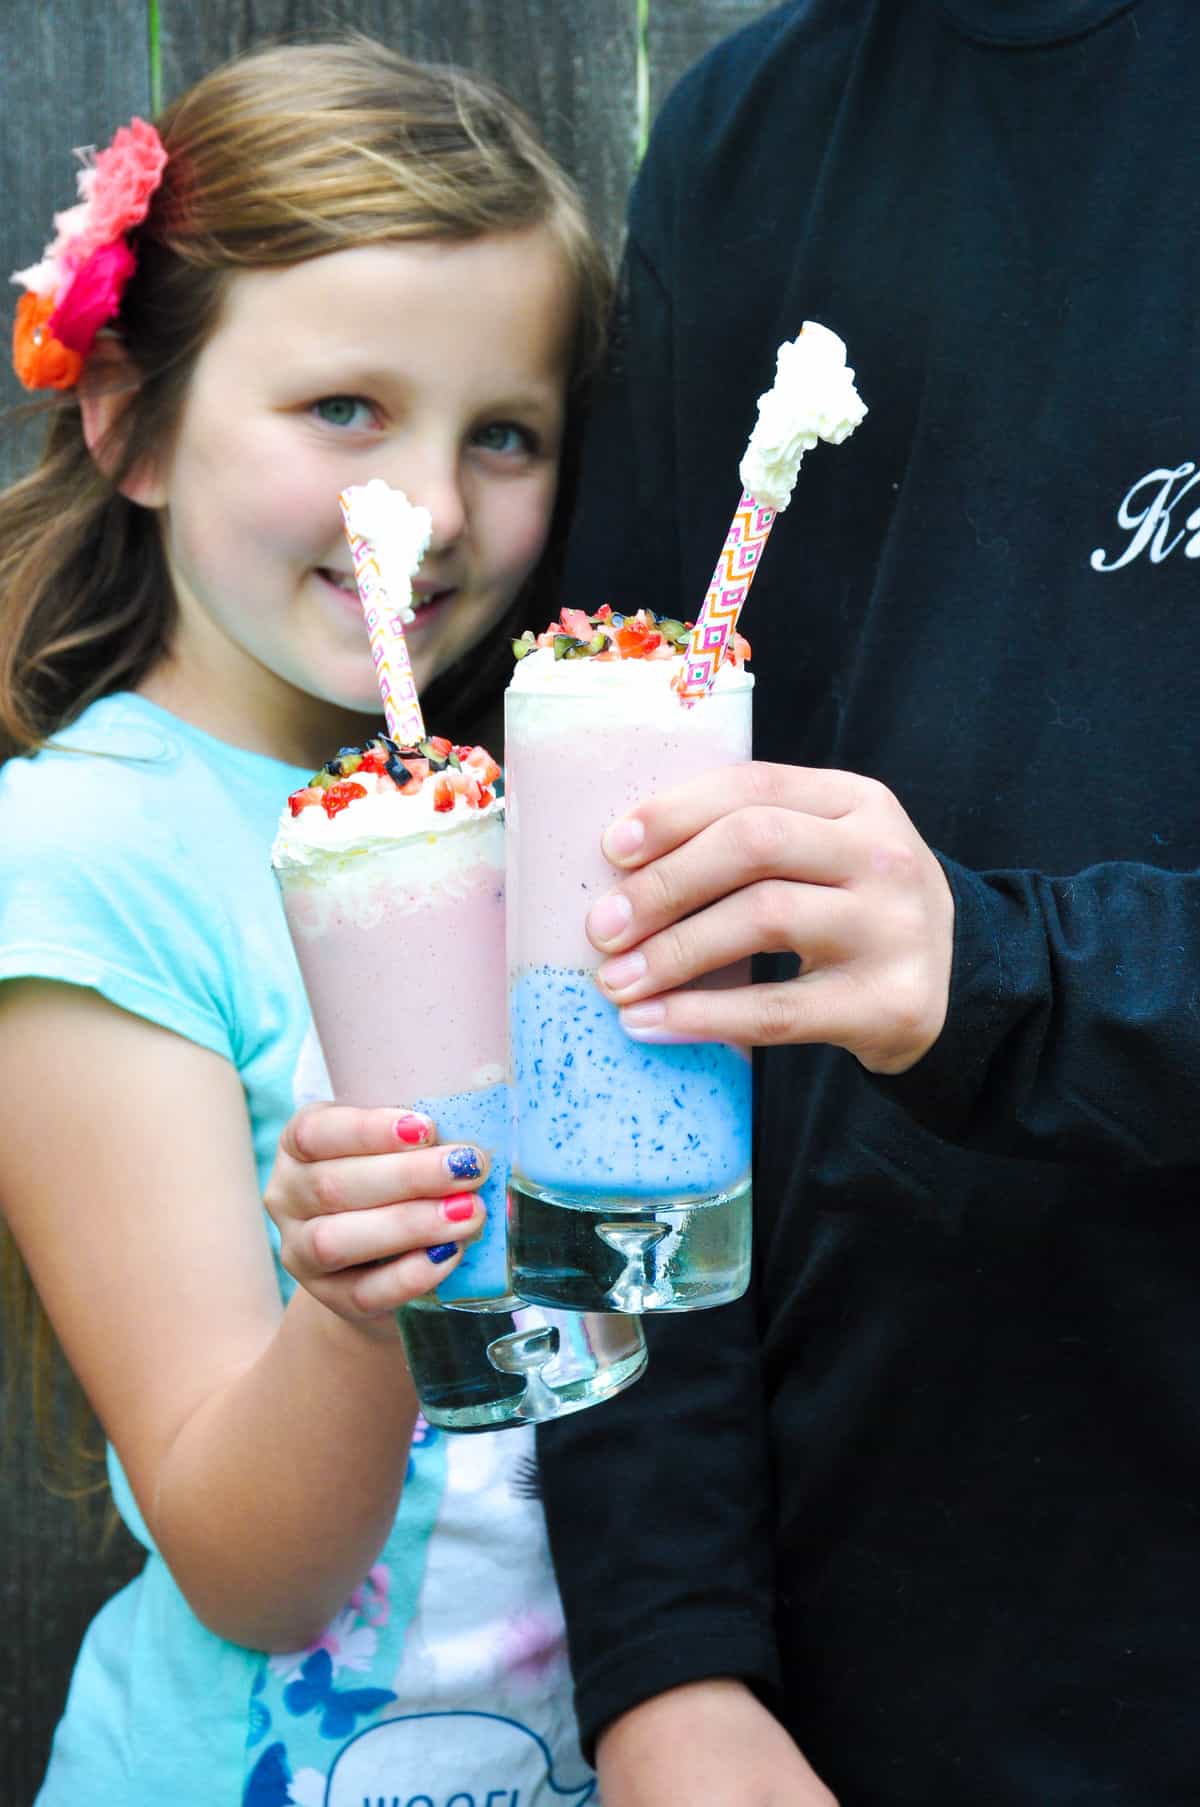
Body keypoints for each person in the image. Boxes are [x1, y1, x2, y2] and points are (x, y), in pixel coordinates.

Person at [535, 1, 1200, 1803]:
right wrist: (668, 1659)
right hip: (851, 1668)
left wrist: (1012, 979)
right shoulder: (749, 136)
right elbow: (611, 965)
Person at [0, 40, 610, 1805]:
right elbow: (249, 1568)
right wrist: (354, 1318)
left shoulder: (540, 805)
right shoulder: (95, 858)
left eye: (503, 433)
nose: (419, 511)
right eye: (345, 409)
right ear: (127, 421)